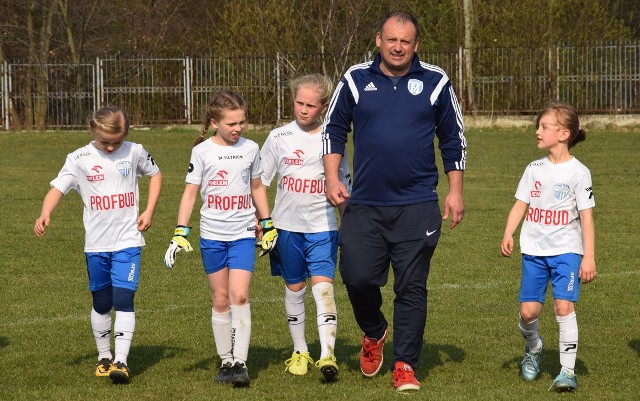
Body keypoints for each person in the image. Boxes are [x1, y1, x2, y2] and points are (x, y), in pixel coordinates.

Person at [322, 11, 466, 392]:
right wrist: (332, 177)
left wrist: (455, 190)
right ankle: (374, 331)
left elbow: (453, 138)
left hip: (418, 204)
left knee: (412, 286)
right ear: (378, 40)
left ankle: (405, 363)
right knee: (356, 276)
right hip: (364, 203)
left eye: (405, 41)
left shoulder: (436, 81)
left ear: (416, 45)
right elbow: (333, 129)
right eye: (391, 39)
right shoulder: (355, 79)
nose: (398, 46)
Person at [34, 105, 162, 384]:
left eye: (116, 142)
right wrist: (46, 212)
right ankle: (104, 356)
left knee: (124, 299)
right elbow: (58, 188)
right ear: (92, 130)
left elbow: (155, 174)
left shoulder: (135, 150)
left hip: (128, 241)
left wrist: (149, 210)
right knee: (102, 302)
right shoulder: (79, 158)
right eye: (105, 142)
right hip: (96, 245)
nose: (110, 147)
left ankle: (121, 362)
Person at [163, 91, 276, 388]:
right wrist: (180, 230)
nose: (238, 128)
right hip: (212, 236)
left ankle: (240, 363)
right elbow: (189, 194)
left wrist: (267, 223)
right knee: (221, 299)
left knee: (239, 295)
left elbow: (257, 188)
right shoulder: (201, 152)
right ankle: (225, 360)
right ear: (214, 122)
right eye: (231, 123)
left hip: (242, 235)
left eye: (242, 122)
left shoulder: (252, 148)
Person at [501, 101, 596, 392]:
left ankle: (567, 372)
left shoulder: (579, 172)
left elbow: (586, 218)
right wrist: (508, 233)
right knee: (528, 313)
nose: (538, 132)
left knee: (563, 305)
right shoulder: (534, 169)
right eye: (539, 127)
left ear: (564, 133)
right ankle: (534, 348)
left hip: (568, 250)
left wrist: (588, 256)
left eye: (545, 127)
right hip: (533, 251)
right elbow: (521, 204)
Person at [261, 74, 351, 381]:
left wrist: (348, 222)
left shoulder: (332, 138)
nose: (303, 109)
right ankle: (300, 351)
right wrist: (260, 221)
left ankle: (327, 354)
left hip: (323, 228)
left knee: (323, 289)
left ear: (324, 107)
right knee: (294, 288)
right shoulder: (278, 137)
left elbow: (342, 185)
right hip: (286, 229)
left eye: (311, 105)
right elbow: (260, 181)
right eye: (299, 102)